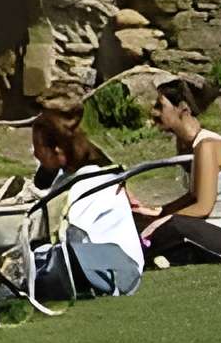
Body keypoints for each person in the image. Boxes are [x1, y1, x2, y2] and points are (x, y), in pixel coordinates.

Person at [25, 98, 142, 300]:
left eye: (38, 147)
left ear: (58, 150)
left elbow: (72, 233)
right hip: (85, 257)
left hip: (116, 265)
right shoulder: (65, 179)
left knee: (45, 260)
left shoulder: (93, 180)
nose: (35, 154)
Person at [138, 75, 221, 265]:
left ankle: (138, 256)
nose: (154, 112)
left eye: (160, 106)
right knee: (150, 223)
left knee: (173, 225)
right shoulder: (187, 146)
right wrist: (158, 212)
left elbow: (203, 207)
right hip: (209, 231)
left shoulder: (207, 146)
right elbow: (194, 195)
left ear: (183, 109)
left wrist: (164, 220)